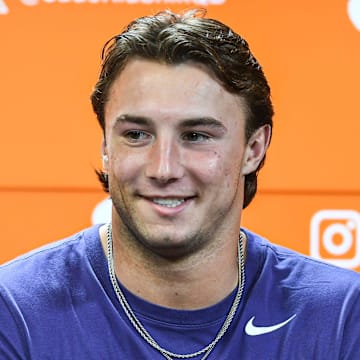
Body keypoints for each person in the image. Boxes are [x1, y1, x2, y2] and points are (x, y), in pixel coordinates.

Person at [0, 9, 359, 360]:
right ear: (106, 147)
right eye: (137, 134)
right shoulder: (14, 310)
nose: (163, 168)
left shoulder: (341, 317)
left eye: (196, 135)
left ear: (254, 148)